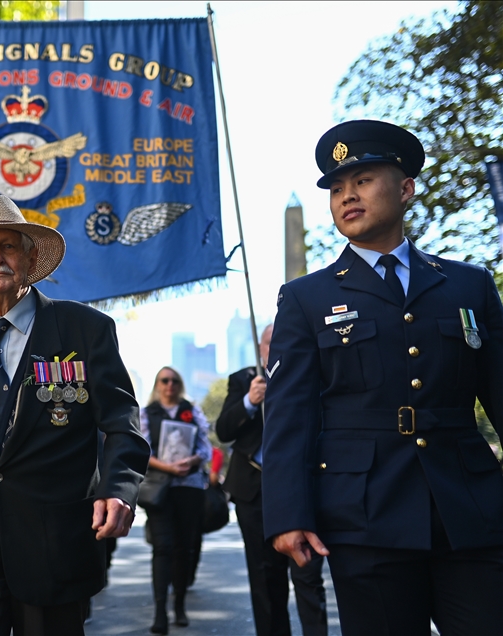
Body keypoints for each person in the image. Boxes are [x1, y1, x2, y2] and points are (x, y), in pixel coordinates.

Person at [262, 119, 503, 634]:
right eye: (336, 188)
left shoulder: (469, 284)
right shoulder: (308, 298)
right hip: (364, 516)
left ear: (406, 187)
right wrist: (287, 513)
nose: (347, 195)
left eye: (364, 180)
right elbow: (290, 415)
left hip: (471, 509)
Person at [0, 195, 150, 636]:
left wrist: (119, 491)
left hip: (52, 546)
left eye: (8, 246)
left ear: (32, 257)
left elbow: (122, 425)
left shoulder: (86, 330)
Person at [217, 324, 327, 636]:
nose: (274, 348)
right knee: (265, 579)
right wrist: (249, 402)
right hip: (254, 491)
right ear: (261, 347)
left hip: (300, 488)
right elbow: (224, 431)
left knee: (307, 575)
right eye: (269, 343)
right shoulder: (243, 379)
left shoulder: (309, 373)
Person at [139, 366, 211, 633]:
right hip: (159, 489)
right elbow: (142, 449)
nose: (169, 385)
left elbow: (205, 447)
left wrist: (192, 460)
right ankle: (160, 613)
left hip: (189, 488)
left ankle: (179, 606)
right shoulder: (147, 414)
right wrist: (168, 467)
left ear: (179, 384)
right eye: (164, 380)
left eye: (174, 381)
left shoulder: (192, 411)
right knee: (162, 548)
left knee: (184, 548)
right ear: (157, 385)